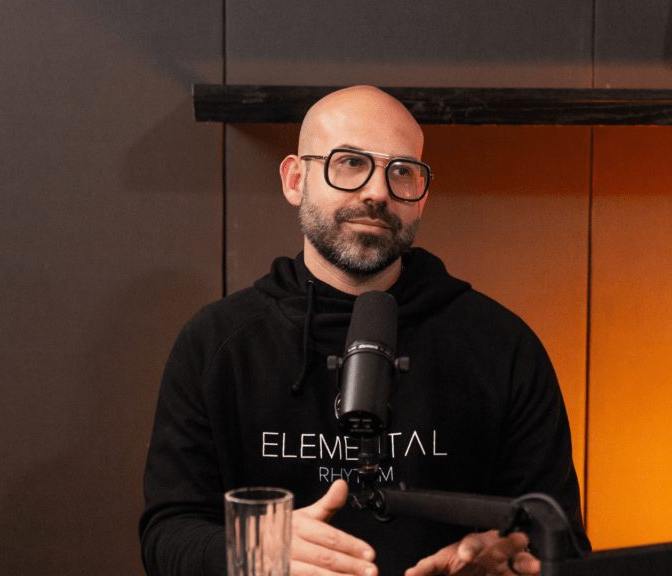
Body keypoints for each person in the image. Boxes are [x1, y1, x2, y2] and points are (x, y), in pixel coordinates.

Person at [139, 85, 590, 576]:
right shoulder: (216, 343)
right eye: (350, 162)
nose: (378, 192)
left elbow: (562, 537)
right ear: (295, 179)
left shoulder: (502, 347)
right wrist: (256, 550)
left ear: (421, 199)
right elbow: (168, 534)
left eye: (401, 172)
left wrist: (511, 557)